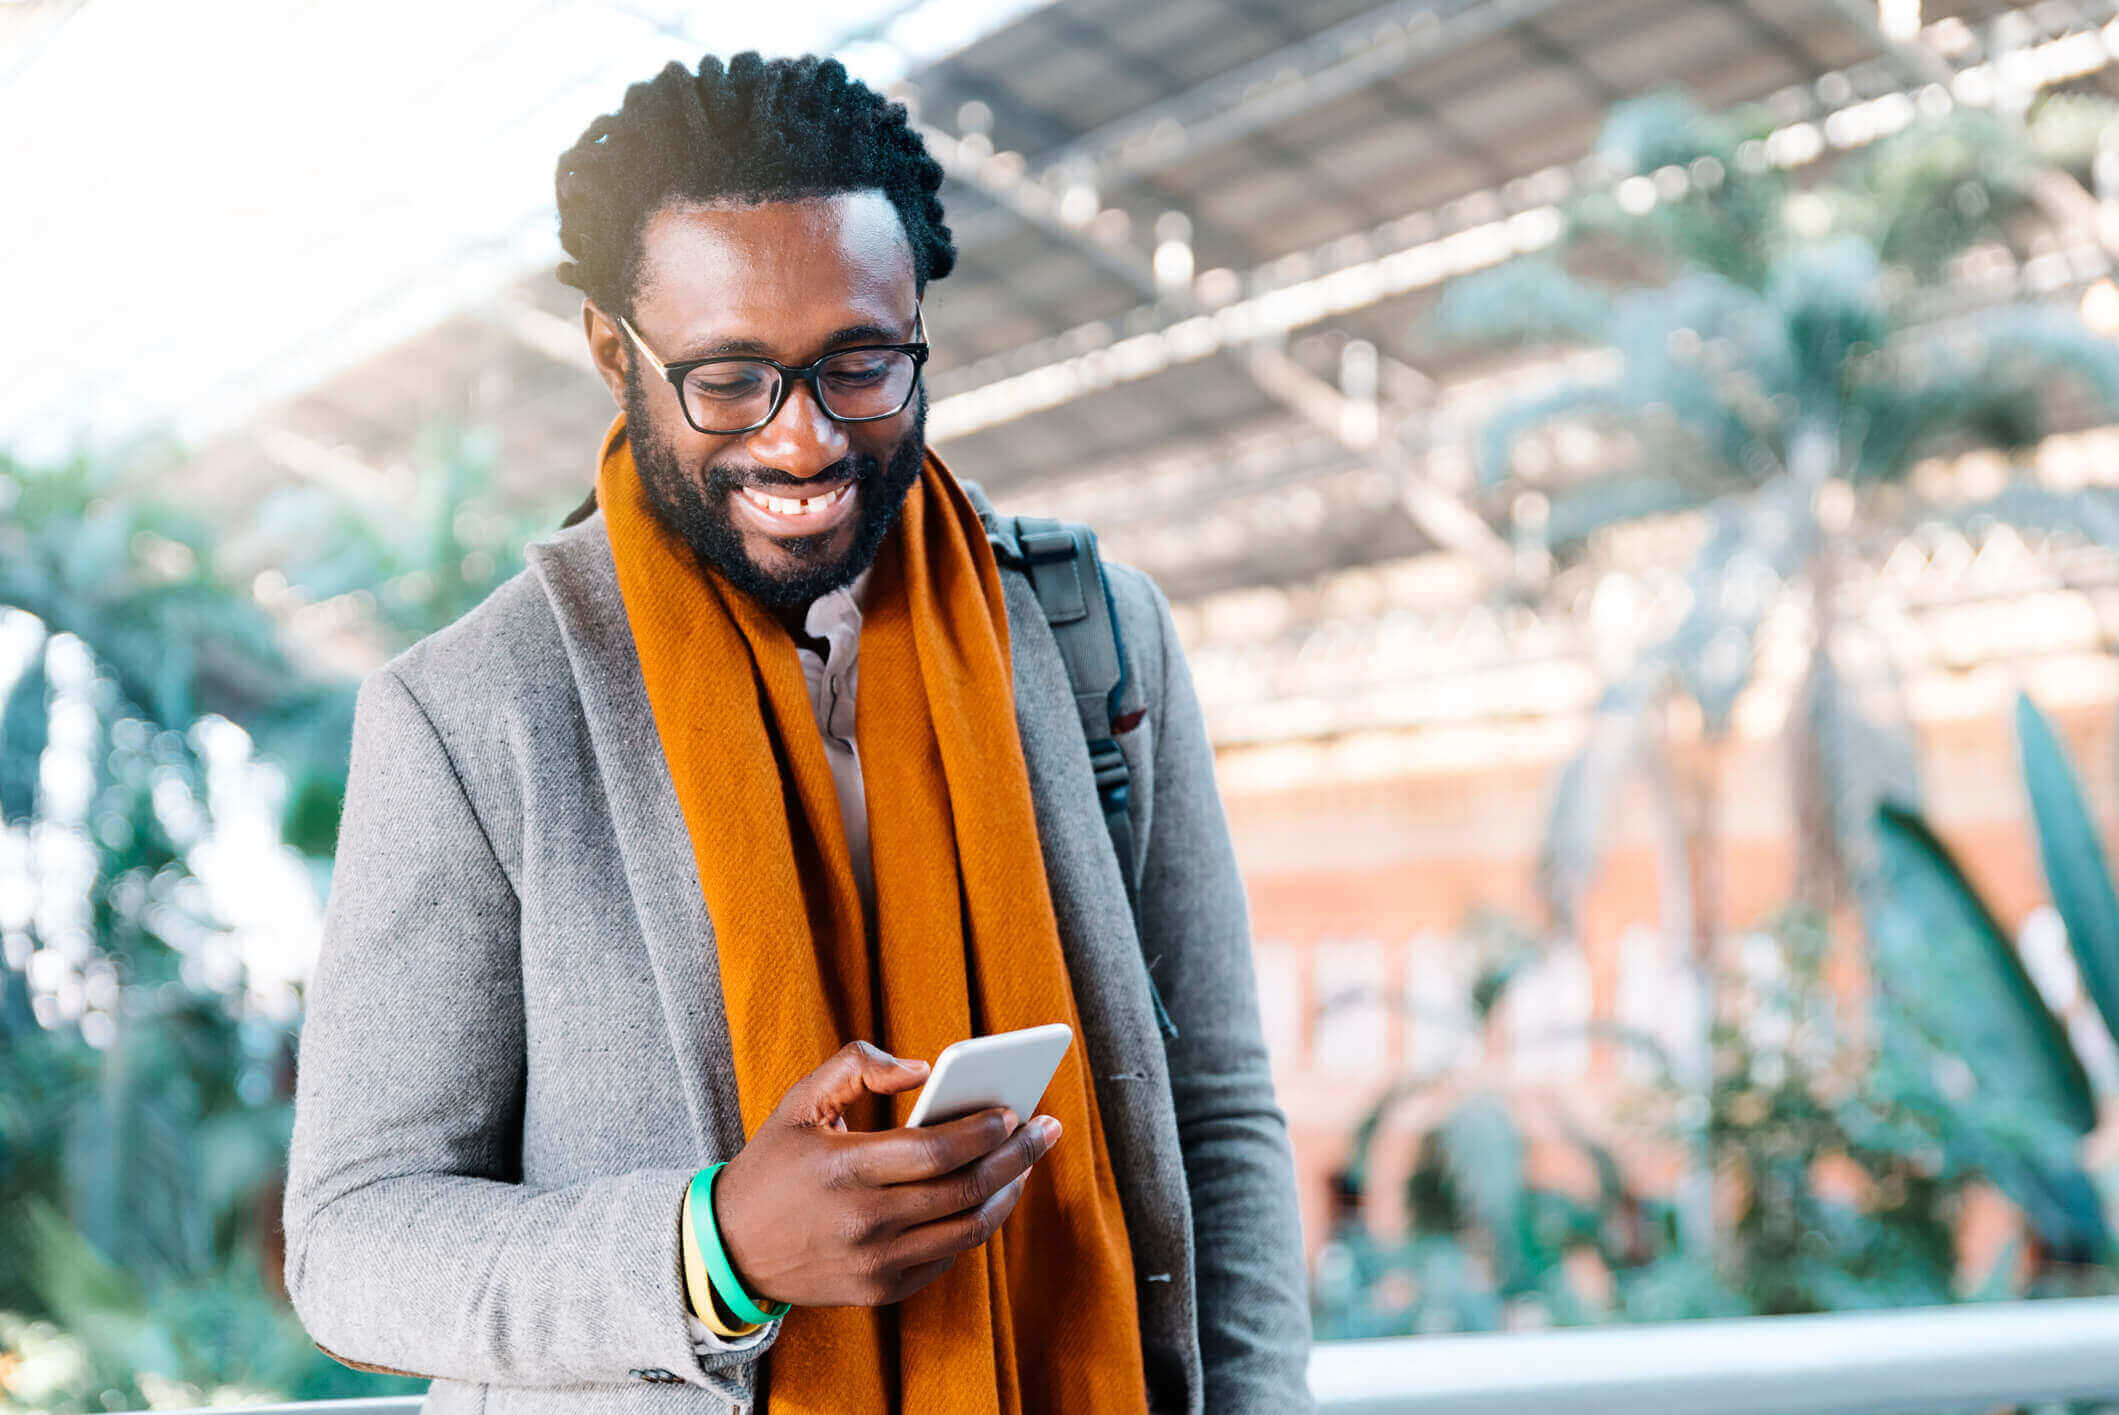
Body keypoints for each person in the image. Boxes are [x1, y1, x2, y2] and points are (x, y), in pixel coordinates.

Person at [281, 51, 1312, 1414]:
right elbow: (353, 1241)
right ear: (613, 353)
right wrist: (712, 1247)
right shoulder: (475, 714)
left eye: (858, 365)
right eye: (728, 381)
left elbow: (1219, 1118)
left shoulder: (1090, 640)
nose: (805, 441)